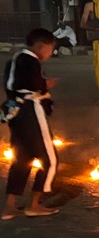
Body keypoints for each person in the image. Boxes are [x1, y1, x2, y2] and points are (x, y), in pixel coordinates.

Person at [2, 29, 59, 220]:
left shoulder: (15, 60)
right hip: (30, 111)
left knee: (22, 159)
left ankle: (9, 206)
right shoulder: (30, 61)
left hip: (16, 113)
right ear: (41, 46)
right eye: (51, 49)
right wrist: (45, 84)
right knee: (49, 160)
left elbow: (12, 86)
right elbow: (32, 85)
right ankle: (34, 204)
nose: (51, 53)